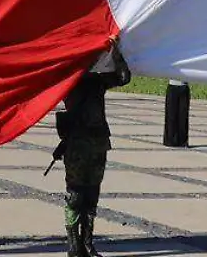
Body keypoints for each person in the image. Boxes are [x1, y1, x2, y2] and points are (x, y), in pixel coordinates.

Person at [57, 44, 131, 257]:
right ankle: (74, 245)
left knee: (92, 195)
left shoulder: (98, 81)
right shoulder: (69, 81)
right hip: (76, 144)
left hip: (98, 142)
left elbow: (124, 77)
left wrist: (115, 51)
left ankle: (88, 244)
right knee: (75, 195)